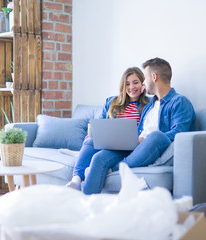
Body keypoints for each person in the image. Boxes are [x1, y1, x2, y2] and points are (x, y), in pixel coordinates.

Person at [82, 57, 195, 194]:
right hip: (135, 147)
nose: (143, 83)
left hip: (153, 145)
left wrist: (143, 140)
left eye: (145, 78)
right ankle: (84, 205)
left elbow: (179, 133)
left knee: (156, 136)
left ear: (154, 77)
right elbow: (138, 132)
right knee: (99, 158)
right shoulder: (149, 106)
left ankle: (116, 167)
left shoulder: (179, 102)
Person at [66, 67, 150, 190]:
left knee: (98, 156)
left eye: (135, 82)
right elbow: (99, 123)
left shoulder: (149, 104)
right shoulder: (112, 102)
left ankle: (82, 156)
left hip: (130, 148)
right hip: (109, 143)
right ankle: (76, 180)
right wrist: (94, 133)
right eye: (127, 84)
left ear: (142, 83)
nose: (131, 87)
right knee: (90, 140)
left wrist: (147, 90)